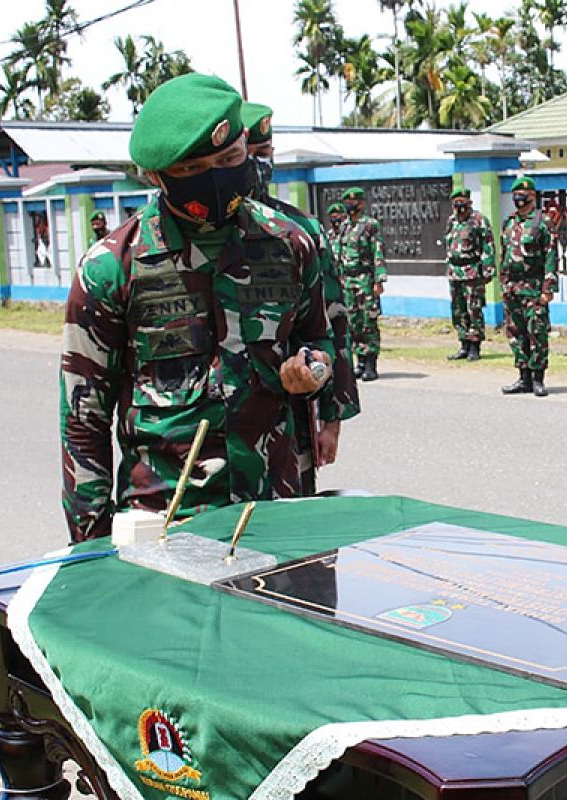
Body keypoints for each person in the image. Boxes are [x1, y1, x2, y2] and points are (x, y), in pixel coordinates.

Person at [59, 74, 335, 542]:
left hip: (278, 513)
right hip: (167, 522)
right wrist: (91, 546)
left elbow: (317, 337)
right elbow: (84, 418)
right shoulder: (111, 269)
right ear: (154, 175)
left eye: (229, 159)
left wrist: (315, 368)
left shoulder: (290, 244)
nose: (217, 177)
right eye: (193, 170)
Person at [241, 100, 359, 493]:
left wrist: (333, 420)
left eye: (265, 154)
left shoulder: (300, 232)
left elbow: (333, 323)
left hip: (289, 424)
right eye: (248, 154)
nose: (258, 165)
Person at [499, 175, 557, 397]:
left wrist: (547, 289)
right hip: (512, 288)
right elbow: (504, 255)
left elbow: (551, 256)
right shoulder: (509, 222)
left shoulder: (543, 222)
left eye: (524, 194)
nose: (519, 198)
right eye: (516, 194)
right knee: (516, 333)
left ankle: (538, 378)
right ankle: (523, 377)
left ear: (533, 196)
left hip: (533, 288)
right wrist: (503, 283)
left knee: (537, 333)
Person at [336, 186, 387, 382]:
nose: (350, 206)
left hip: (365, 280)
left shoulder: (370, 225)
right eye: (347, 202)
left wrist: (379, 280)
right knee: (352, 322)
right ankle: (360, 362)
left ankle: (371, 364)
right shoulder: (344, 226)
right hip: (347, 280)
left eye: (353, 202)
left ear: (362, 203)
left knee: (368, 322)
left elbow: (378, 252)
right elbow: (339, 254)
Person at [443, 187, 495, 362]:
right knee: (458, 310)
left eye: (462, 201)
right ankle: (463, 343)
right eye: (456, 203)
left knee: (474, 309)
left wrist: (488, 270)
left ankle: (475, 346)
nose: (459, 206)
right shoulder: (451, 221)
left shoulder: (479, 220)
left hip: (472, 272)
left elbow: (488, 246)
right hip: (455, 272)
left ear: (469, 202)